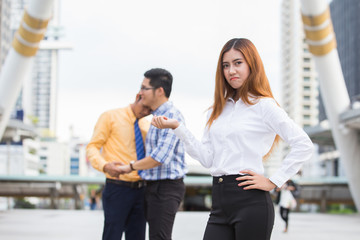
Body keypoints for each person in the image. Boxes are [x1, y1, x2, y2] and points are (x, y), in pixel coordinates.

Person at [151, 38, 314, 240]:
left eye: (238, 63)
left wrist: (273, 181)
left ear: (251, 65)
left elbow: (303, 144)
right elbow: (208, 159)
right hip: (219, 202)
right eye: (226, 65)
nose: (231, 71)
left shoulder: (264, 106)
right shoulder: (218, 110)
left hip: (251, 203)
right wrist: (178, 127)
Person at [117, 68, 187, 240]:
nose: (140, 93)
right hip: (153, 186)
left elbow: (160, 158)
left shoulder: (170, 116)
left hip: (166, 187)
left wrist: (129, 167)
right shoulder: (156, 116)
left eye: (144, 88)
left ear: (160, 91)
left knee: (159, 237)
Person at [86, 94, 151, 240]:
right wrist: (104, 166)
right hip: (117, 187)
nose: (146, 112)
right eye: (145, 107)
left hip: (142, 189)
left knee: (138, 236)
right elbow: (92, 147)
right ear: (138, 97)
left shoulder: (146, 125)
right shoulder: (110, 117)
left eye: (150, 110)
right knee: (112, 235)